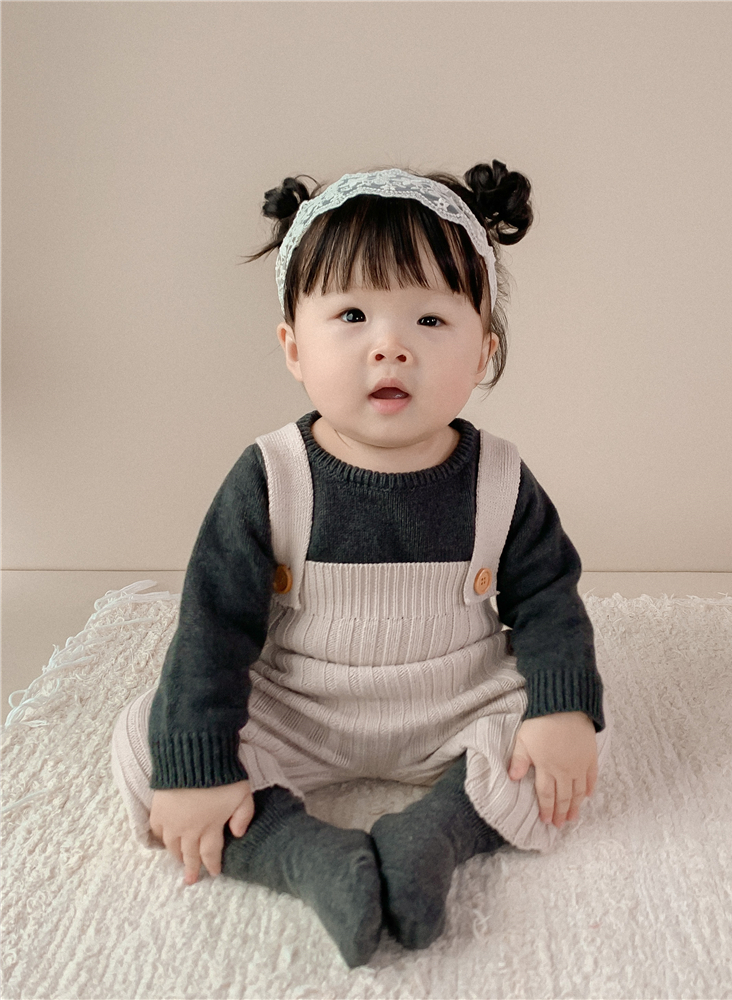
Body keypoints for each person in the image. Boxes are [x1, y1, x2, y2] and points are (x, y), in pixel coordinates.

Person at [110, 160, 610, 968]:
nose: (390, 347)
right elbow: (212, 625)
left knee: (571, 734)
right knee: (151, 743)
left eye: (430, 320)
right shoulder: (272, 476)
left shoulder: (500, 478)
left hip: (453, 701)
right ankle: (300, 852)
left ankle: (437, 833)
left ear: (484, 350)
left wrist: (560, 711)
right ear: (293, 347)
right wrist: (196, 764)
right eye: (351, 315)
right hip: (299, 704)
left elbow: (549, 599)